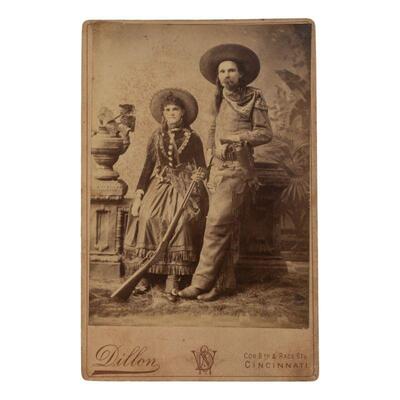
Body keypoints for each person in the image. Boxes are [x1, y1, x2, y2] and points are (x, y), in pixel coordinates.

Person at [179, 44, 273, 301]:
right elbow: (212, 128)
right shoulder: (217, 97)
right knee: (220, 225)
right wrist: (212, 151)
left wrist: (234, 138)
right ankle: (222, 284)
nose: (226, 75)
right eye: (222, 71)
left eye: (231, 70)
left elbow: (265, 133)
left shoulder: (254, 97)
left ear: (241, 74)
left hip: (238, 168)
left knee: (217, 223)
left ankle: (200, 283)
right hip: (217, 170)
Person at [123, 88, 208, 299]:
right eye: (168, 110)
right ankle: (145, 274)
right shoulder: (156, 137)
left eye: (175, 109)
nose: (171, 113)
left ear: (183, 113)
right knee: (147, 216)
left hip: (185, 186)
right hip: (160, 184)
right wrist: (139, 194)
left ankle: (173, 275)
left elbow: (202, 167)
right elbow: (147, 167)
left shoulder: (193, 138)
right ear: (163, 113)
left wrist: (199, 174)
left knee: (181, 221)